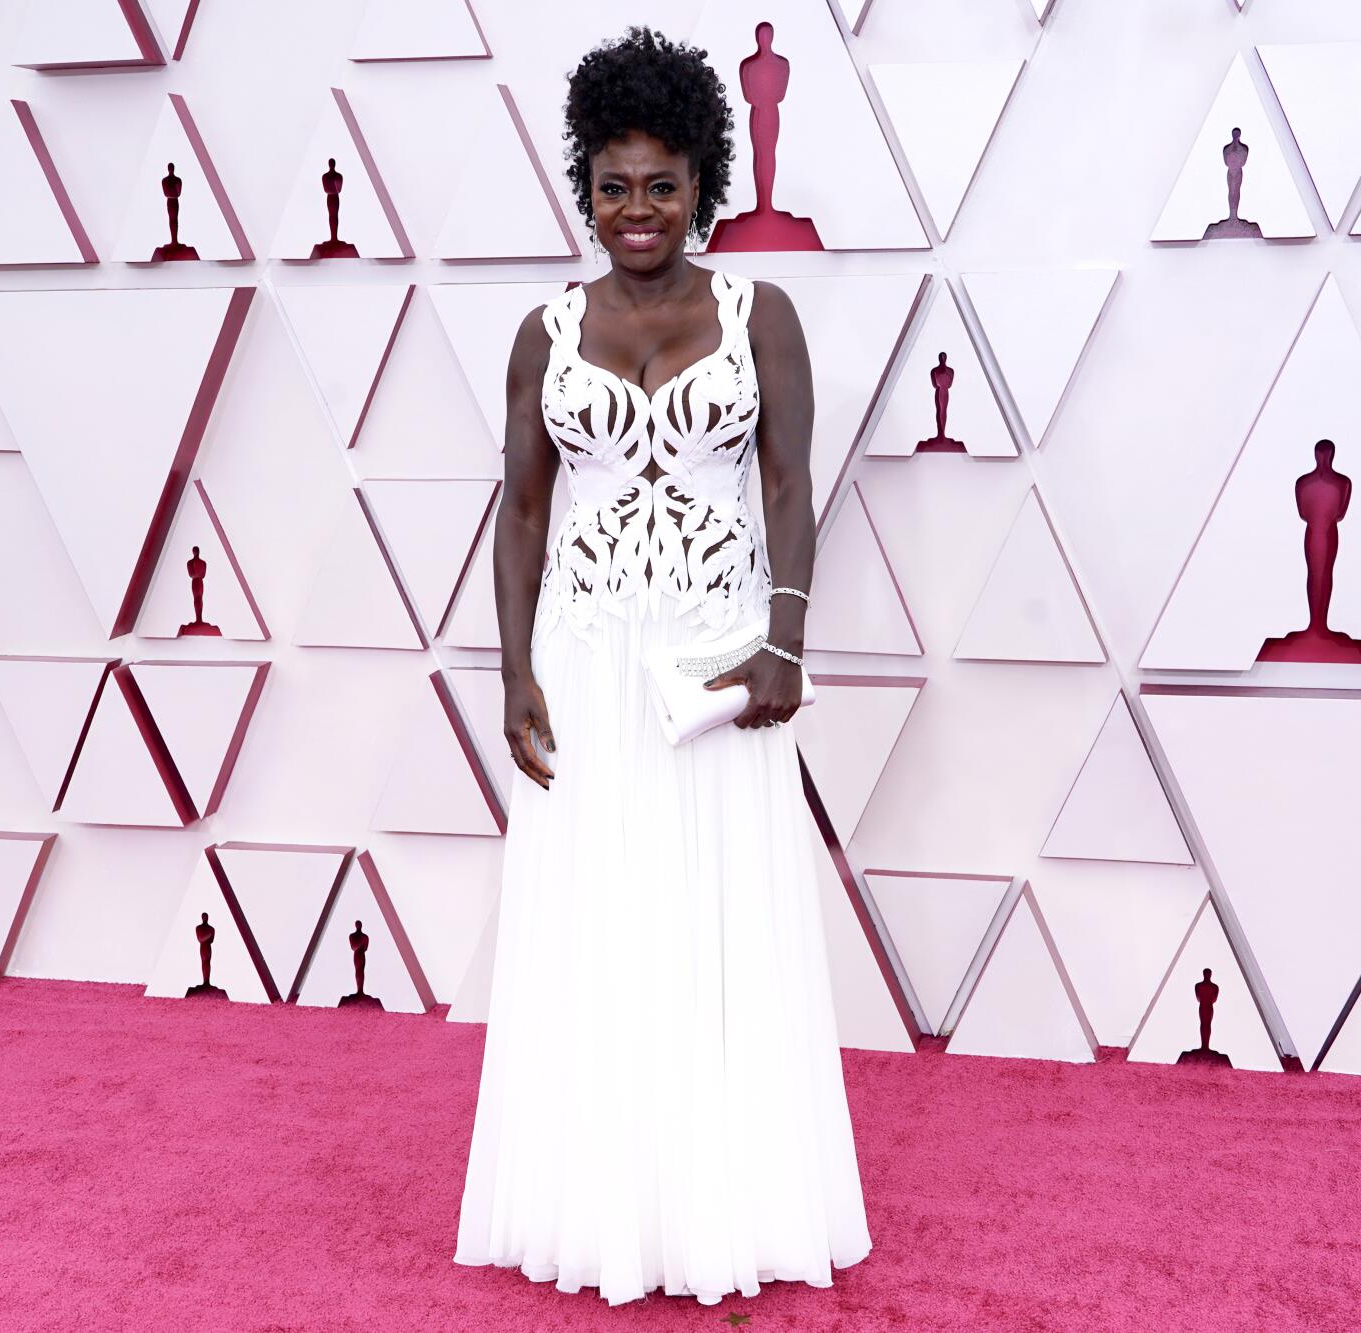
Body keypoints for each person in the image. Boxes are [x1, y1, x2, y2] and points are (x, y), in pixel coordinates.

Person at [453, 26, 870, 1308]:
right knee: (599, 927)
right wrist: (515, 673)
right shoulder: (542, 331)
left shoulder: (763, 316)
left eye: (663, 185)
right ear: (584, 185)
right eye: (614, 185)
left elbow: (791, 484)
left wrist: (783, 642)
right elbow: (519, 514)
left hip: (715, 665)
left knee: (717, 930)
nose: (637, 211)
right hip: (583, 662)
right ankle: (603, 1210)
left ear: (705, 186)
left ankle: (720, 1211)